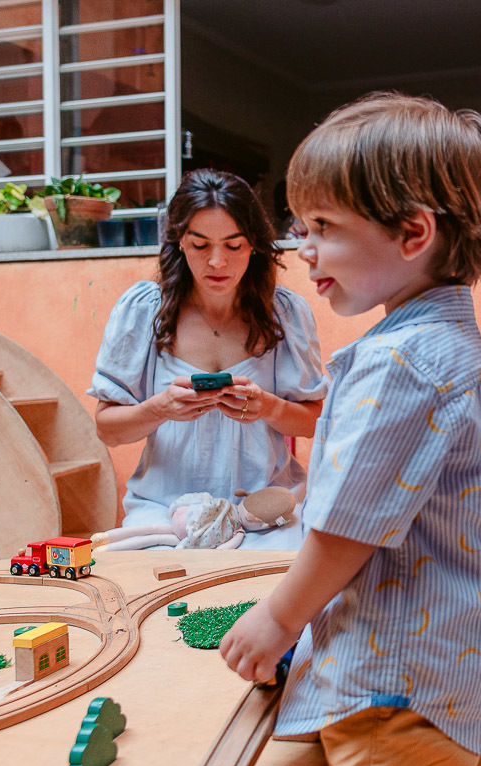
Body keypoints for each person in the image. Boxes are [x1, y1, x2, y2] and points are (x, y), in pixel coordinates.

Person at [218, 92, 481, 766]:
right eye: (301, 226)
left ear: (413, 232)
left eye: (323, 226)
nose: (302, 248)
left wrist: (278, 618)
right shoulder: (445, 343)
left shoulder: (405, 363)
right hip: (450, 674)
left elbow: (346, 528)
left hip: (397, 685)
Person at [88, 168, 327, 530]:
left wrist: (267, 406)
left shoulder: (285, 314)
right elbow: (107, 429)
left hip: (263, 512)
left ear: (254, 245)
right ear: (179, 241)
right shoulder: (142, 311)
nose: (217, 262)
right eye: (200, 245)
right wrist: (161, 408)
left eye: (233, 245)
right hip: (164, 514)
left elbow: (313, 421)